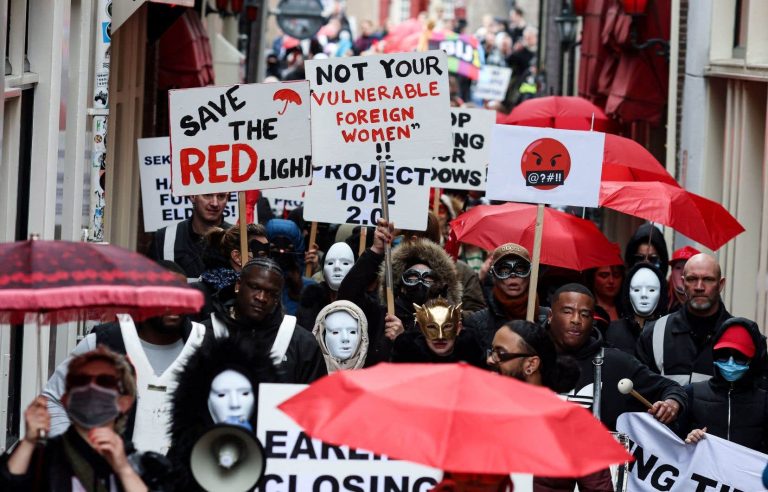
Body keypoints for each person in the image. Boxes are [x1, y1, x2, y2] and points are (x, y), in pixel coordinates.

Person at [43, 261, 207, 454]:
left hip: (182, 478)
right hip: (111, 476)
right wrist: (75, 450)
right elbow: (51, 399)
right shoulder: (104, 342)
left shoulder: (206, 345)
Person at [487, 321, 612, 492]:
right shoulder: (481, 417)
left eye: (500, 353)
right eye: (491, 351)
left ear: (530, 365)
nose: (489, 360)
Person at [1, 347, 149, 491]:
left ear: (125, 402)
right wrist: (28, 442)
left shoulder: (145, 466)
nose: (91, 388)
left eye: (105, 381)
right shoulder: (41, 460)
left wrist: (124, 469)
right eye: (81, 381)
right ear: (65, 399)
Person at [548, 283, 686, 431]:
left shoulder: (615, 363)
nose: (576, 320)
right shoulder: (531, 359)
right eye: (567, 312)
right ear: (550, 316)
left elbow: (672, 389)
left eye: (584, 314)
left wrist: (671, 403)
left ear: (592, 321)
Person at [338, 219, 462, 365]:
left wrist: (402, 339)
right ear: (401, 284)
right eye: (412, 277)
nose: (420, 282)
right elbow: (347, 296)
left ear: (439, 285)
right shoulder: (382, 316)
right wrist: (376, 251)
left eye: (428, 278)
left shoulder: (447, 324)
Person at [167, 336, 274, 491]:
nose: (235, 404)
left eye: (244, 394)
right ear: (207, 402)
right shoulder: (182, 457)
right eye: (222, 395)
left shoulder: (279, 451)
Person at [205, 257, 327, 384]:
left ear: (277, 298)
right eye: (254, 287)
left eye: (271, 293)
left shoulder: (302, 344)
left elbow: (317, 399)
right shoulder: (206, 334)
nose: (261, 297)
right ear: (238, 285)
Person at [636, 253, 732, 385]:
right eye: (692, 279)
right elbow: (641, 388)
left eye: (708, 279)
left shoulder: (738, 335)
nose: (699, 287)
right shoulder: (654, 333)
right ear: (683, 282)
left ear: (720, 285)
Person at [679, 318, 768, 453]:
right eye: (723, 355)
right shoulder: (692, 393)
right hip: (702, 472)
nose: (730, 363)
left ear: (753, 359)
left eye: (740, 356)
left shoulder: (764, 400)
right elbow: (672, 444)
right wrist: (689, 438)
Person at [464, 243, 549, 352]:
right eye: (504, 270)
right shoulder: (476, 322)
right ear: (493, 275)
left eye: (520, 268)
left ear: (530, 273)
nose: (513, 275)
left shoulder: (547, 319)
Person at [147, 193, 233, 279]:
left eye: (221, 196)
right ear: (192, 196)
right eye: (207, 195)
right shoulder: (164, 237)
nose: (215, 203)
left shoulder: (238, 237)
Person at [195, 223, 269, 321]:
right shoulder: (199, 293)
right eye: (261, 255)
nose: (268, 261)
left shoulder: (267, 292)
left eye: (268, 255)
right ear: (237, 257)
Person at [392, 298, 485, 366]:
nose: (440, 336)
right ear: (422, 329)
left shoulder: (473, 357)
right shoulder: (406, 361)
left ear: (458, 328)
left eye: (447, 326)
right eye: (432, 327)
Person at [605, 263, 667, 355]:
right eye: (636, 290)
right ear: (628, 293)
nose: (644, 295)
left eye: (652, 290)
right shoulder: (613, 331)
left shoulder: (668, 331)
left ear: (661, 294)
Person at [297, 242, 355, 330]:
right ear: (323, 272)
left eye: (345, 263)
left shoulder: (364, 302)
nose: (337, 267)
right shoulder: (311, 300)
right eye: (330, 263)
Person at [266, 218, 317, 316]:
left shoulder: (309, 289)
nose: (281, 252)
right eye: (274, 248)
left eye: (288, 248)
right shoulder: (254, 284)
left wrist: (315, 269)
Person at [313, 300, 369, 373]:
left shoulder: (371, 382)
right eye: (335, 332)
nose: (345, 338)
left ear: (362, 336)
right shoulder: (307, 380)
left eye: (352, 332)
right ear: (322, 336)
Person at [667, 245, 700, 312]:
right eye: (678, 268)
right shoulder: (660, 299)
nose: (682, 273)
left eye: (687, 267)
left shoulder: (709, 302)